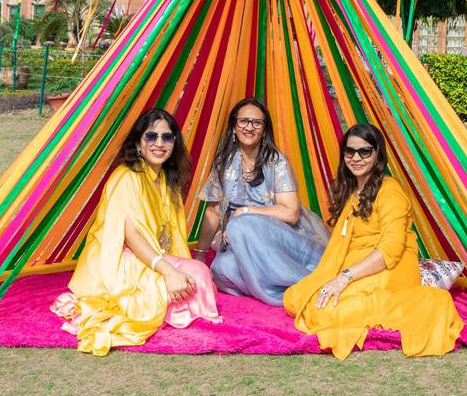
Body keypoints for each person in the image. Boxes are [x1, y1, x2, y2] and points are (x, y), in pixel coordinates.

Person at [283, 123, 464, 360]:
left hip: (388, 272)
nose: (356, 158)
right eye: (350, 151)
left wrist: (344, 278)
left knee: (324, 311)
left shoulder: (391, 193)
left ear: (378, 154)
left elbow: (389, 251)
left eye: (364, 151)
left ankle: (412, 303)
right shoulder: (352, 190)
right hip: (355, 267)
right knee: (294, 298)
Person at [51, 109, 221, 356]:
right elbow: (131, 236)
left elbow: (170, 235)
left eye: (167, 137)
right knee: (197, 275)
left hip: (150, 257)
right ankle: (168, 305)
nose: (159, 143)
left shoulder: (166, 179)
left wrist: (176, 266)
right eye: (151, 137)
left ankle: (171, 304)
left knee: (197, 275)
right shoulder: (126, 177)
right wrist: (169, 271)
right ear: (139, 143)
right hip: (119, 260)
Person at [194, 98, 330, 305]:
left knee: (240, 223)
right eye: (244, 121)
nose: (249, 127)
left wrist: (246, 212)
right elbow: (213, 213)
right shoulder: (224, 163)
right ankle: (273, 288)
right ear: (233, 128)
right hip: (243, 242)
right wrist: (201, 256)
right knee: (221, 270)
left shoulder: (276, 161)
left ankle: (306, 286)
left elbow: (291, 213)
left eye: (257, 123)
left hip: (283, 241)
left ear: (264, 130)